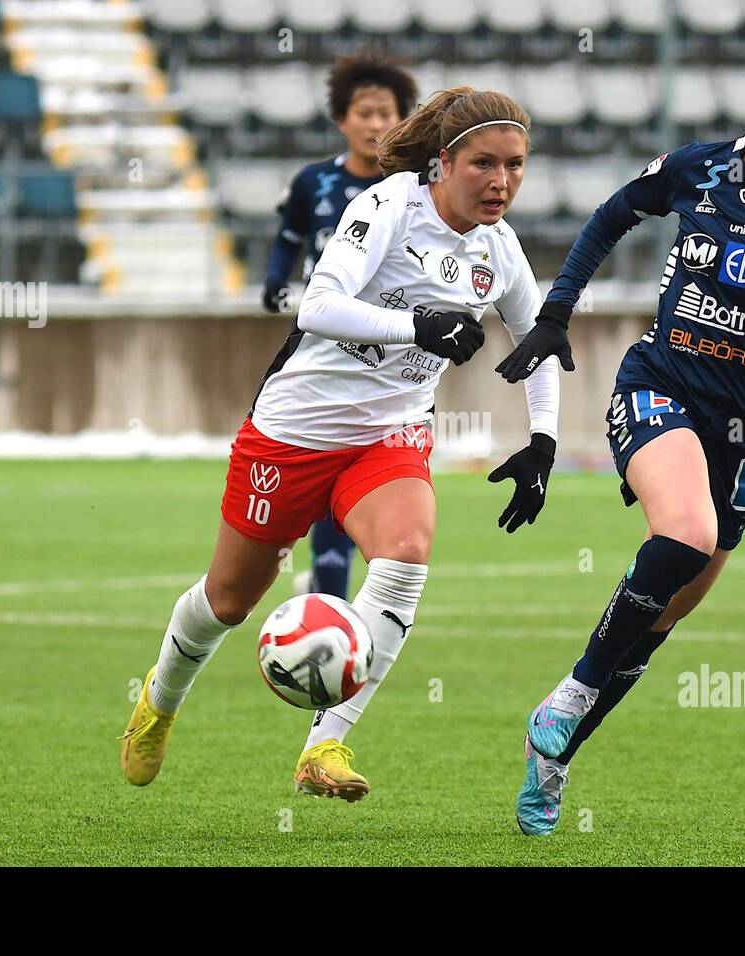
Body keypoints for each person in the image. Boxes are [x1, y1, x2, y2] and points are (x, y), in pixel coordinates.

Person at [123, 87, 561, 803]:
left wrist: (542, 443)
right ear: (444, 162)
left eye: (515, 166)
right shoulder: (390, 206)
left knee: (407, 554)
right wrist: (418, 326)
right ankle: (160, 700)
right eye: (484, 163)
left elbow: (540, 344)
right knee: (230, 600)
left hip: (387, 438)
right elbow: (317, 306)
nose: (501, 181)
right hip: (295, 432)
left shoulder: (500, 249)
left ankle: (325, 742)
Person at [497, 34, 745, 835]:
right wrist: (555, 313)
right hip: (659, 387)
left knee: (661, 619)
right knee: (685, 532)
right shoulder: (699, 168)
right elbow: (609, 218)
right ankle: (573, 688)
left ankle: (551, 764)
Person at [260, 53, 419, 602]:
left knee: (352, 468)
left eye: (386, 115)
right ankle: (281, 556)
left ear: (404, 120)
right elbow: (288, 236)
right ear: (342, 119)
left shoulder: (413, 189)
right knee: (295, 456)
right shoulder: (314, 182)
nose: (375, 125)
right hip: (319, 338)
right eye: (364, 113)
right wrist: (274, 282)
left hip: (390, 348)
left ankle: (329, 600)